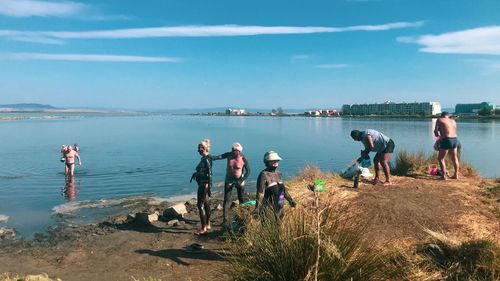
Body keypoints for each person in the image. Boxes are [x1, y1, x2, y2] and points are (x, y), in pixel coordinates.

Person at [190, 139, 223, 235]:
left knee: (200, 205)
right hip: (204, 184)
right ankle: (207, 224)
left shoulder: (206, 159)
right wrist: (196, 174)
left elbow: (209, 172)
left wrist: (209, 185)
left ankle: (203, 228)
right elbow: (218, 157)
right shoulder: (208, 157)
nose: (197, 150)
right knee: (206, 203)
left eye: (199, 149)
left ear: (203, 149)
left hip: (204, 184)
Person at [255, 151, 296, 222]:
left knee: (279, 224)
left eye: (277, 160)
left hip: (280, 205)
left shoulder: (279, 173)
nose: (275, 162)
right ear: (267, 162)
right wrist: (257, 208)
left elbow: (283, 190)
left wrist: (290, 200)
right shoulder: (264, 175)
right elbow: (260, 193)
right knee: (268, 227)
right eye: (272, 160)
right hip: (268, 208)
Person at [219, 142, 251, 226]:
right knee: (227, 199)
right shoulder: (228, 155)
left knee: (241, 199)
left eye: (235, 151)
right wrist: (210, 157)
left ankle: (242, 217)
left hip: (239, 179)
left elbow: (248, 171)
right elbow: (219, 157)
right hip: (229, 179)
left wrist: (241, 180)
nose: (233, 152)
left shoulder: (243, 158)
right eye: (232, 150)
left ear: (239, 151)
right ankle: (225, 220)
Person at [434, 112, 459, 180]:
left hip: (446, 140)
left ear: (442, 116)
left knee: (440, 159)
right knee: (454, 158)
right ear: (448, 116)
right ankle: (456, 175)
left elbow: (436, 132)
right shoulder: (453, 121)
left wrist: (438, 138)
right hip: (455, 139)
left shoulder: (440, 119)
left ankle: (444, 176)